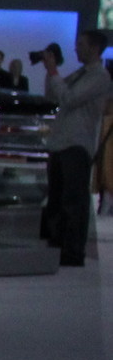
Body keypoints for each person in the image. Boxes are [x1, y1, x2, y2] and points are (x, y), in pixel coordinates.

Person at [42, 29, 111, 263]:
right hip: (62, 143)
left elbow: (70, 99)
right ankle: (57, 245)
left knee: (73, 201)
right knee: (57, 199)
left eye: (80, 44)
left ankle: (72, 251)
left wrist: (54, 71)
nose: (76, 49)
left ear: (94, 48)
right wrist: (50, 72)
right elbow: (54, 95)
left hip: (77, 144)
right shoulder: (80, 74)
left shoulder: (99, 77)